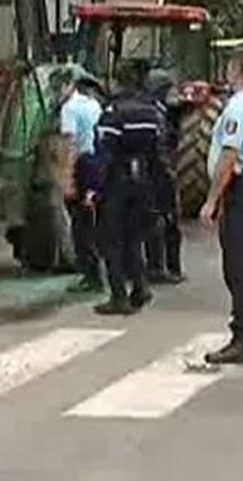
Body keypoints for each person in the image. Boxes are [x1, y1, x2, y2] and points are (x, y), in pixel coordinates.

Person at [200, 48, 243, 365]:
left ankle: (242, 337)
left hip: (239, 189)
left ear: (237, 70)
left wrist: (212, 200)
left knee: (238, 266)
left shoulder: (238, 108)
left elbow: (229, 155)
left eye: (229, 67)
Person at [91, 61, 163, 315]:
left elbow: (105, 153)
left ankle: (118, 296)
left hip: (117, 182)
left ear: (117, 82)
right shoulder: (150, 111)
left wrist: (95, 187)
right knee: (134, 238)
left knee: (112, 240)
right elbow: (159, 150)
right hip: (143, 180)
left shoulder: (114, 112)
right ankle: (141, 287)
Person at [58, 65, 104, 292]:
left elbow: (70, 144)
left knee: (80, 225)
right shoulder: (93, 104)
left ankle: (90, 276)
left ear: (69, 86)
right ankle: (100, 270)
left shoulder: (69, 109)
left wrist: (67, 178)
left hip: (82, 166)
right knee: (94, 220)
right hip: (98, 164)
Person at [143, 68, 185, 284]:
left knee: (163, 221)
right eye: (170, 89)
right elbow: (161, 148)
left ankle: (168, 266)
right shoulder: (157, 114)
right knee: (163, 220)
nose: (175, 94)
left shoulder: (162, 112)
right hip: (159, 174)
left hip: (156, 172)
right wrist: (168, 173)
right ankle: (160, 267)